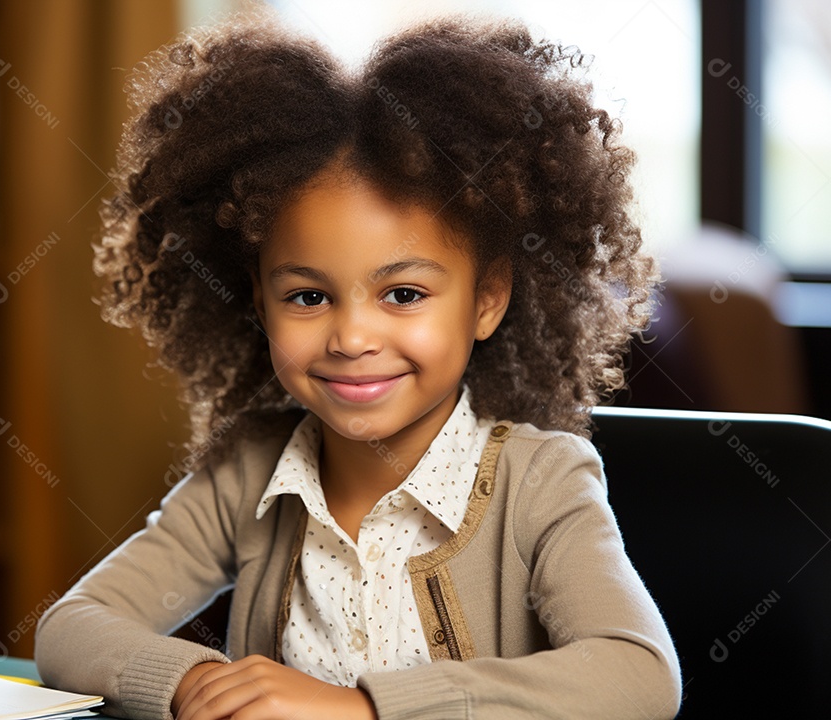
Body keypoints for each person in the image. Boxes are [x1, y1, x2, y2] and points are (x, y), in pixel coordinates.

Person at [35, 6, 682, 719]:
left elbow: (638, 677)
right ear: (258, 299)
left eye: (403, 293)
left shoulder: (541, 485)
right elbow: (71, 627)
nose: (350, 337)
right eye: (308, 296)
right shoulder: (247, 474)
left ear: (487, 301)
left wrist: (364, 708)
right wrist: (192, 682)